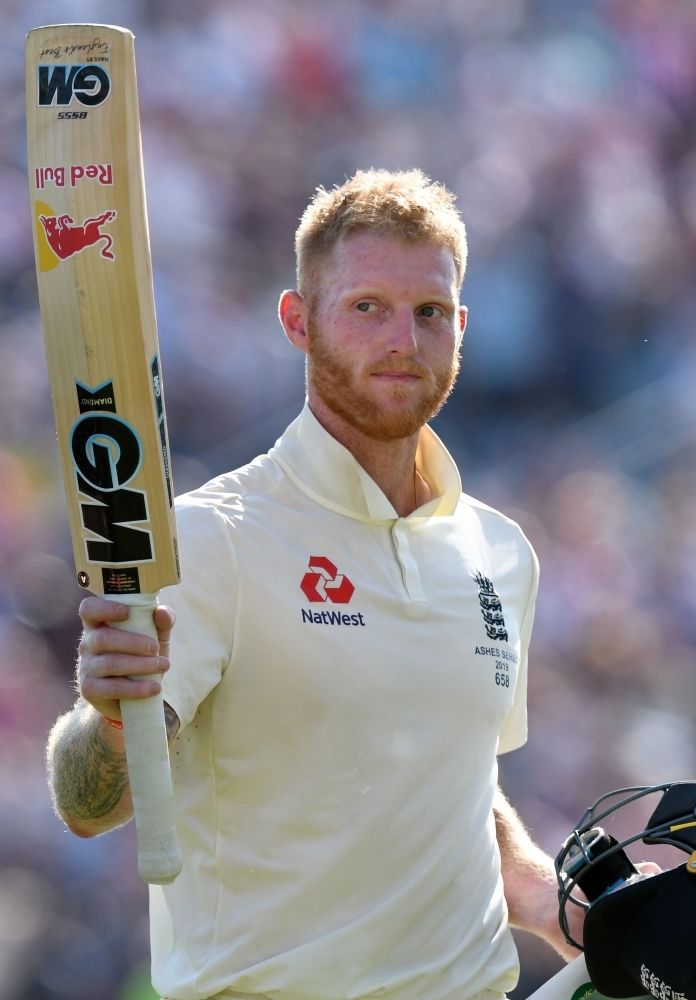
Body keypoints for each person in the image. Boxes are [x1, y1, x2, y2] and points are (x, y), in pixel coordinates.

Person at [47, 169, 579, 1000]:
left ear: (461, 327)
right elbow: (90, 804)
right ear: (299, 322)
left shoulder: (499, 551)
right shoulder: (209, 537)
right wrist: (111, 722)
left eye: (429, 311)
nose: (403, 338)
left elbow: (452, 781)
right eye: (367, 306)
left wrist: (546, 897)